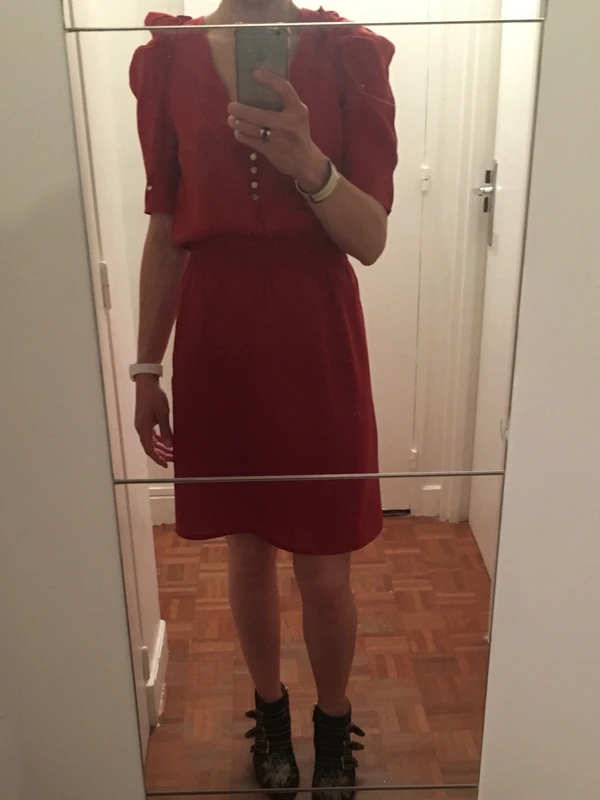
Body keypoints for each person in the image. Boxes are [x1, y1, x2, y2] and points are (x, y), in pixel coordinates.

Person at [129, 2, 397, 797]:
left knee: (325, 564)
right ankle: (270, 715)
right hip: (217, 335)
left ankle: (334, 726)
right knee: (247, 550)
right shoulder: (168, 59)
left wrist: (310, 162)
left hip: (316, 332)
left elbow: (371, 239)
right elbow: (164, 230)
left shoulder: (349, 53)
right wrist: (146, 368)